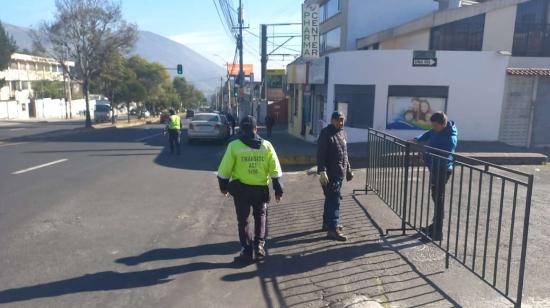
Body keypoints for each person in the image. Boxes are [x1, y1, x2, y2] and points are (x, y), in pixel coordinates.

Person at [217, 115, 284, 263]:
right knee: (260, 216)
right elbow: (275, 170)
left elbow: (224, 170)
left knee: (243, 220)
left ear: (241, 129)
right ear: (255, 128)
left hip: (241, 190)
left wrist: (223, 186)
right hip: (260, 189)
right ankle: (259, 246)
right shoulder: (267, 146)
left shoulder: (234, 146)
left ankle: (247, 251)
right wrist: (278, 190)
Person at [413, 111, 458, 241]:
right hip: (434, 167)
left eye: (436, 126)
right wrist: (419, 138)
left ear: (443, 124)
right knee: (435, 196)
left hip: (442, 169)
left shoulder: (450, 138)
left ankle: (437, 232)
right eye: (432, 125)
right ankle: (434, 226)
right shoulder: (437, 130)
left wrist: (427, 153)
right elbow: (428, 134)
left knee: (438, 198)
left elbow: (443, 153)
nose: (434, 128)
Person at [317, 111, 354, 242]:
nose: (341, 122)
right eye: (339, 120)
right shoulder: (325, 134)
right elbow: (321, 154)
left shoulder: (343, 133)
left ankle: (327, 223)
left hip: (340, 172)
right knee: (334, 200)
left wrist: (348, 169)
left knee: (330, 199)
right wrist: (322, 171)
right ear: (332, 120)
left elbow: (345, 153)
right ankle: (332, 230)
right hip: (330, 173)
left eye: (342, 120)